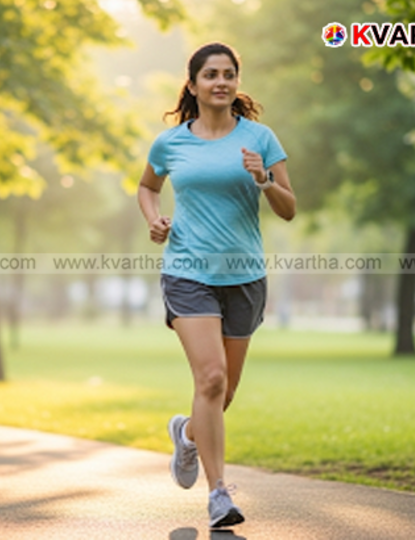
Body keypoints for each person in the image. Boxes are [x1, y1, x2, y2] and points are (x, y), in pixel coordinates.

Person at [137, 42, 296, 529]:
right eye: (211, 74)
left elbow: (289, 208)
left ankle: (188, 434)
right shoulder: (170, 143)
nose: (220, 82)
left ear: (236, 82)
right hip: (188, 272)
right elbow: (147, 187)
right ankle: (219, 494)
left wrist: (264, 179)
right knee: (210, 378)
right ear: (193, 84)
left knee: (223, 392)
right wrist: (154, 220)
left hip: (244, 276)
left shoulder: (260, 138)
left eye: (228, 74)